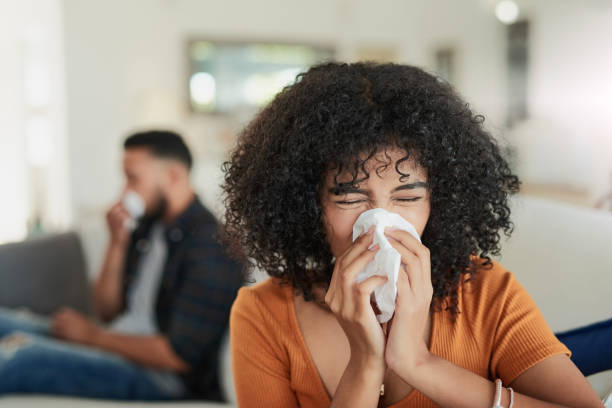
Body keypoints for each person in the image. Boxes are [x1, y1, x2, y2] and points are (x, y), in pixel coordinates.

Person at [222, 62, 603, 407]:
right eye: (352, 197)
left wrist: (416, 363)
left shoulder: (487, 293)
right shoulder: (263, 313)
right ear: (307, 203)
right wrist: (366, 362)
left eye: (407, 196)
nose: (381, 219)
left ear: (438, 202)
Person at [0, 130, 243, 401]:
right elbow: (106, 311)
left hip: (161, 378)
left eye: (133, 179)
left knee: (18, 359)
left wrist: (92, 337)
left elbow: (178, 356)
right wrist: (117, 243)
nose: (125, 191)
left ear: (174, 176)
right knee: (5, 322)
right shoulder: (148, 228)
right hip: (116, 344)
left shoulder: (211, 245)